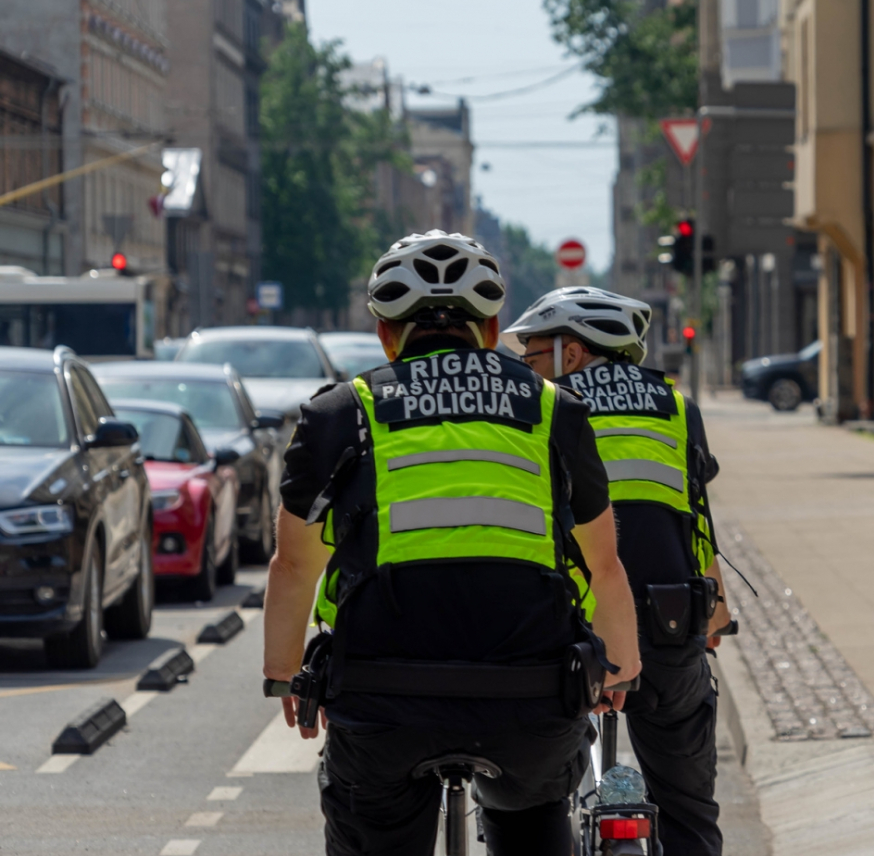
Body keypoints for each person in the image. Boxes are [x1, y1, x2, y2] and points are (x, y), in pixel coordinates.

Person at [261, 231, 640, 856]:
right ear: (492, 328)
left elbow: (294, 565)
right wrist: (620, 667)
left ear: (386, 333)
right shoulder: (557, 411)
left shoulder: (341, 412)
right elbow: (603, 565)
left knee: (371, 825)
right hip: (532, 697)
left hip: (383, 700)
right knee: (538, 811)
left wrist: (283, 676)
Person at [507, 287, 733, 856]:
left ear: (574, 353)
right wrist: (719, 614)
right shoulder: (677, 407)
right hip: (670, 623)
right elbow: (695, 520)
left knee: (531, 801)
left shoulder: (542, 407)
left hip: (567, 632)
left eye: (533, 351)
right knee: (689, 812)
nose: (526, 362)